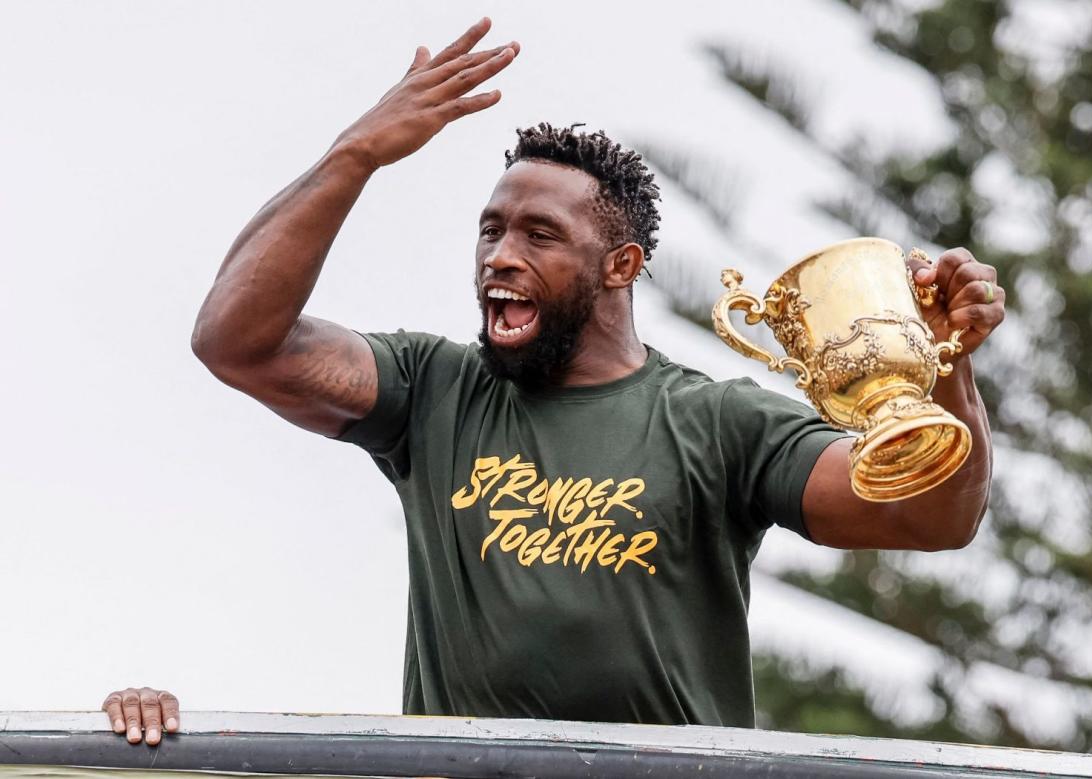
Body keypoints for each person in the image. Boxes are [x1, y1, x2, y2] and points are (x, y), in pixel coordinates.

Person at [103, 17, 1005, 746]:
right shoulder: (433, 389)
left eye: (538, 234)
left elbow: (933, 514)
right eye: (491, 229)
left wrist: (950, 358)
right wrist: (354, 156)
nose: (500, 254)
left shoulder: (716, 420)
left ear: (621, 264)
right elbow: (237, 341)